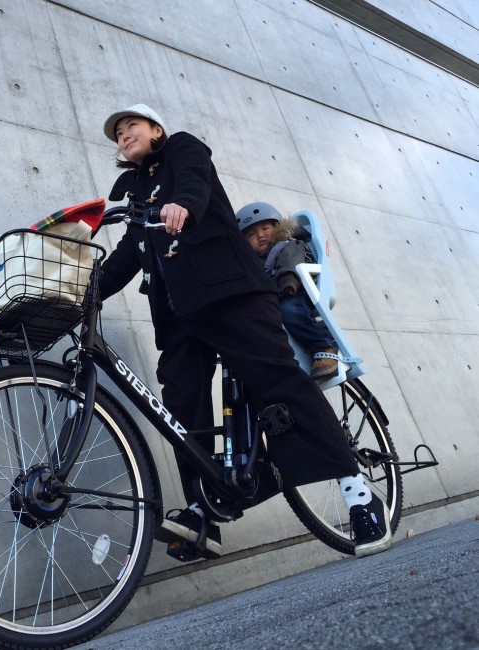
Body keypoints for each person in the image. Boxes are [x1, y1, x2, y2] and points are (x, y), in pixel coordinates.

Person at [98, 103, 391, 559]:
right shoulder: (135, 191)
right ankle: (203, 509)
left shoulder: (182, 149)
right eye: (117, 133)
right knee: (178, 402)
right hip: (179, 316)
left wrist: (182, 205)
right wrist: (85, 291)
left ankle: (357, 490)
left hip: (229, 292)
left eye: (130, 125)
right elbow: (128, 253)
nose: (122, 135)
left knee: (276, 379)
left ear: (156, 129)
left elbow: (194, 182)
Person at [236, 202, 338, 380]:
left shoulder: (287, 245)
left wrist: (288, 283)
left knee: (289, 309)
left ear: (277, 226)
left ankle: (324, 347)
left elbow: (290, 263)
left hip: (295, 291)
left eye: (265, 228)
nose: (260, 236)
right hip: (273, 300)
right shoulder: (255, 264)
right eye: (251, 235)